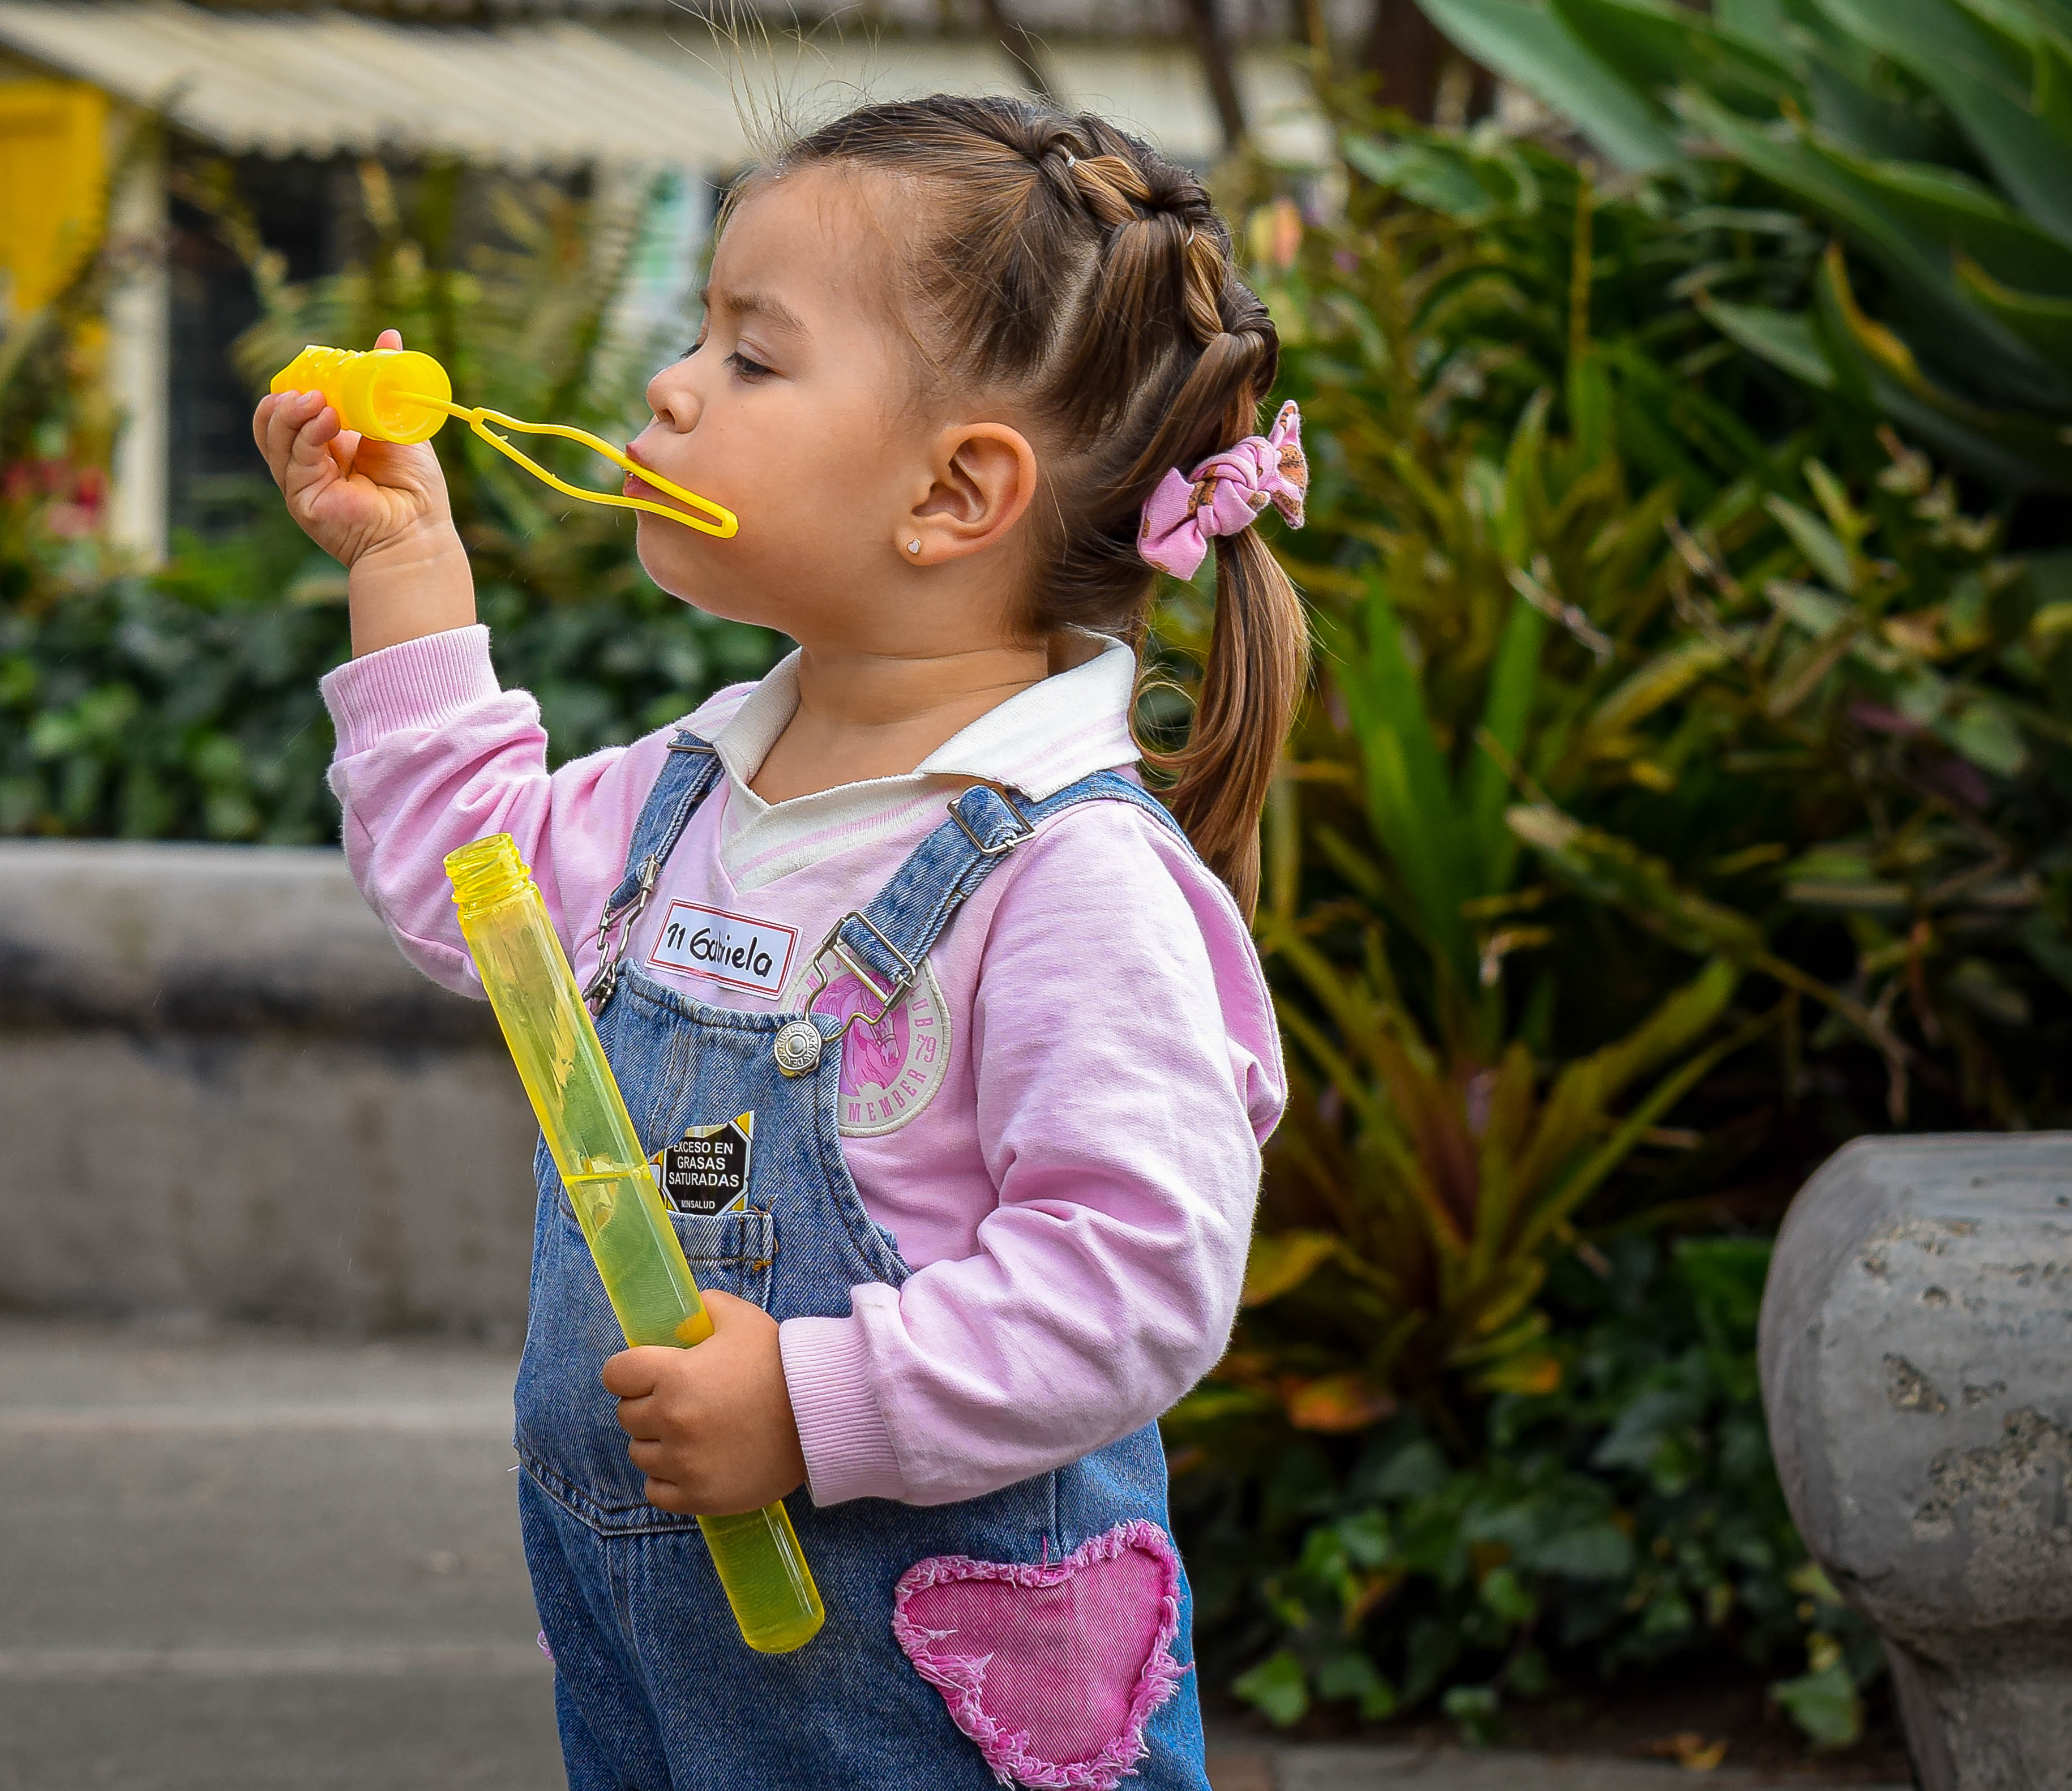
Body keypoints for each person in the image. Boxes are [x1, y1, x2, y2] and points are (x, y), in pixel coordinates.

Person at [255, 95, 1304, 1791]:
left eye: (752, 357)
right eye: (697, 335)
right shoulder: (697, 791)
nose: (671, 384)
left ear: (956, 491)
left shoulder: (1068, 879)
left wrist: (819, 1401)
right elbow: (480, 895)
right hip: (660, 1666)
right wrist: (407, 559)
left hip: (943, 1702)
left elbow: (1136, 1280)